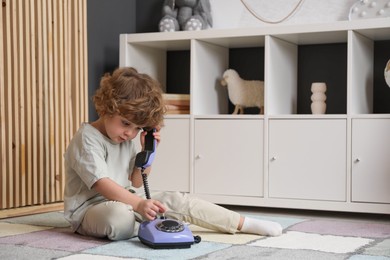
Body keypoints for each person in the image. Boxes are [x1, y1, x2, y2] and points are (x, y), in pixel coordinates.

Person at [63, 67, 283, 241]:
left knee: (175, 200)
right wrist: (138, 205)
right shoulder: (87, 138)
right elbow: (101, 184)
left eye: (138, 128)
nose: (130, 133)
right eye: (125, 123)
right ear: (106, 108)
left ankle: (242, 223)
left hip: (129, 199)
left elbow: (137, 182)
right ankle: (153, 221)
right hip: (90, 210)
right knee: (119, 218)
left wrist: (148, 152)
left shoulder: (127, 137)